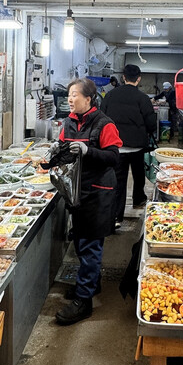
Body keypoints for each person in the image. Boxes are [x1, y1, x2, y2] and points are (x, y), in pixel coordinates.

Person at [53, 77, 122, 325]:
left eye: (75, 95)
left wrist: (88, 151)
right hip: (77, 191)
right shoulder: (69, 122)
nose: (70, 99)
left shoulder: (104, 124)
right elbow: (64, 151)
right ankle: (92, 283)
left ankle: (84, 301)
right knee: (81, 242)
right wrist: (54, 155)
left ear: (89, 99)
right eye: (69, 95)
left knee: (91, 245)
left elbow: (113, 157)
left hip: (98, 192)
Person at [101, 63, 157, 226]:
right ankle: (138, 200)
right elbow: (151, 122)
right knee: (139, 175)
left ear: (123, 77)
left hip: (117, 146)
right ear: (138, 79)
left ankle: (116, 217)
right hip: (137, 146)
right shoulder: (142, 98)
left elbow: (102, 118)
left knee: (118, 181)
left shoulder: (110, 96)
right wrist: (148, 131)